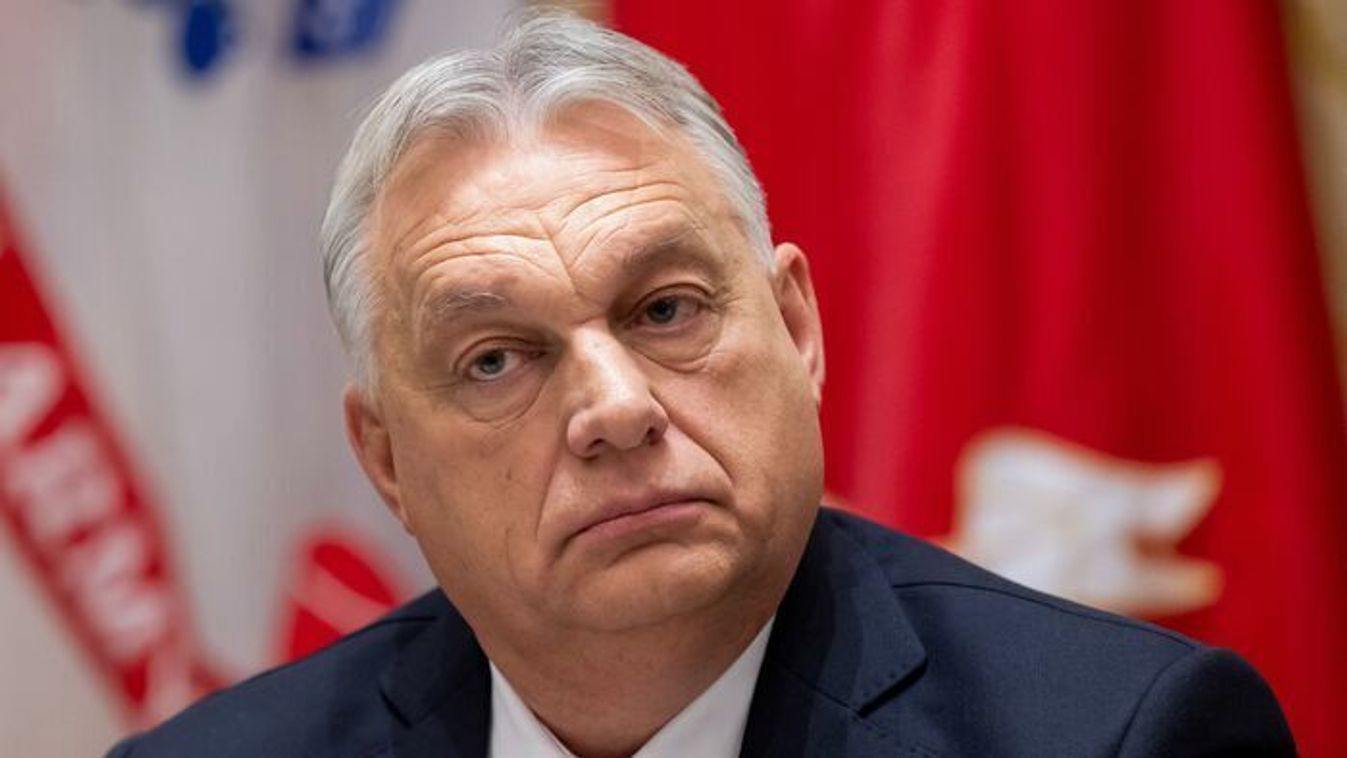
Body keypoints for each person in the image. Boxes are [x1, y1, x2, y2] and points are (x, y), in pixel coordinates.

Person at [107, 11, 1295, 757]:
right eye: (495, 359)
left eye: (666, 310)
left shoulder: (1123, 734)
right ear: (386, 459)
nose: (616, 409)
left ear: (798, 329)